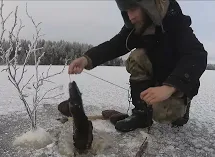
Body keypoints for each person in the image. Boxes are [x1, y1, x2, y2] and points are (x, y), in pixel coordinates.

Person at [67, 0, 207, 132]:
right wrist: (87, 59)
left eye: (133, 8)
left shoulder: (175, 22)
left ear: (147, 5)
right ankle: (141, 114)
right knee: (137, 57)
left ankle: (182, 108)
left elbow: (197, 55)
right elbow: (115, 45)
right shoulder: (138, 25)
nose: (130, 16)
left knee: (161, 115)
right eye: (126, 11)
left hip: (175, 86)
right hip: (156, 79)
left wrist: (170, 87)